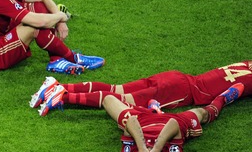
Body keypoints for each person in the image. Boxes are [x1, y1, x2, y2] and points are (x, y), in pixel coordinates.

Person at [100, 83, 244, 152]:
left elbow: (131, 121)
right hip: (175, 121)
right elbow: (173, 125)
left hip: (142, 120)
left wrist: (142, 149)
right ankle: (223, 99)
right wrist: (157, 150)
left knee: (108, 100)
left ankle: (154, 111)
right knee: (203, 114)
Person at [31, 60, 252, 115]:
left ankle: (58, 85)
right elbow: (227, 95)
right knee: (122, 102)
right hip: (183, 92)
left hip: (176, 77)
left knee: (117, 89)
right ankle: (64, 96)